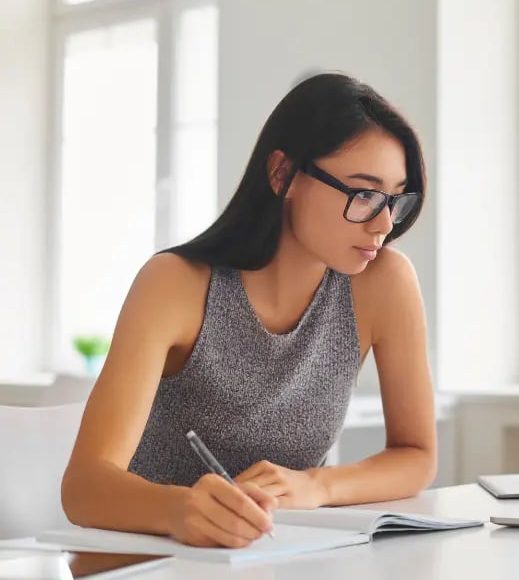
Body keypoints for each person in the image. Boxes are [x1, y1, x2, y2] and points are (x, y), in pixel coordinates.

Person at [61, 73, 436, 548]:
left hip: (274, 557)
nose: (383, 223)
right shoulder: (175, 284)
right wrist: (181, 509)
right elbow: (83, 488)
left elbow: (416, 454)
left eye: (394, 199)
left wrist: (318, 486)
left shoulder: (384, 282)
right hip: (147, 560)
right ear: (283, 174)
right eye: (363, 194)